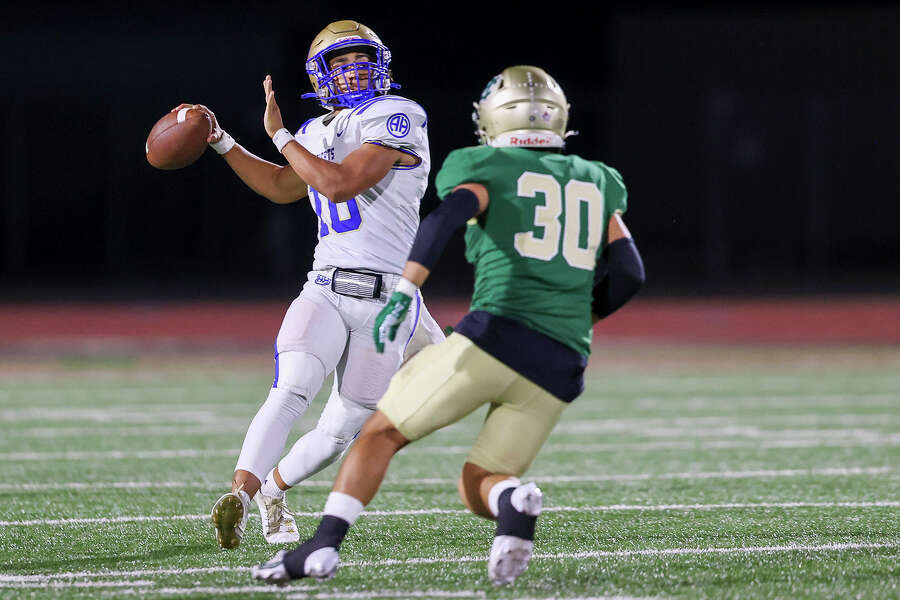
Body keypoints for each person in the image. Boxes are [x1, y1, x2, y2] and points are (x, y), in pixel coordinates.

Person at [250, 65, 646, 586]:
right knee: (482, 479)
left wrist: (408, 289)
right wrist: (579, 319)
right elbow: (628, 275)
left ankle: (322, 547)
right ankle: (513, 504)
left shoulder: (484, 164)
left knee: (378, 433)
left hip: (494, 337)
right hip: (563, 359)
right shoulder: (598, 178)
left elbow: (440, 221)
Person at [177, 19, 444, 549]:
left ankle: (275, 491)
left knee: (342, 428)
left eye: (360, 59)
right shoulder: (317, 131)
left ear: (380, 63)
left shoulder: (399, 115)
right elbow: (282, 185)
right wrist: (222, 142)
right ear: (321, 75)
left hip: (388, 299)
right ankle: (241, 496)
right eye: (339, 64)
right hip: (324, 285)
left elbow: (340, 183)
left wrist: (279, 135)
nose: (352, 71)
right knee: (290, 390)